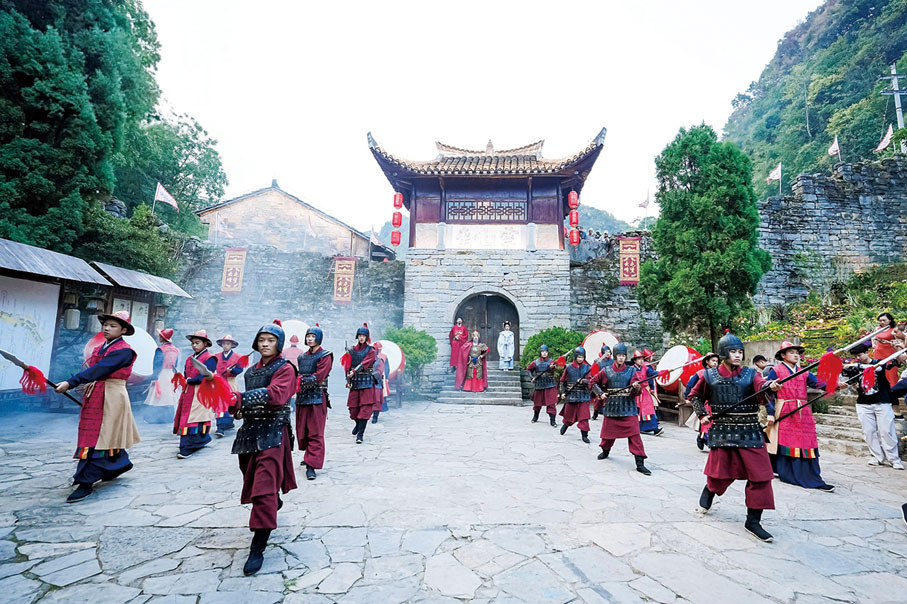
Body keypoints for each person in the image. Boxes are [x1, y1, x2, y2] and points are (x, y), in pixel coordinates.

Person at [688, 332, 780, 542]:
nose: (738, 355)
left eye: (740, 351)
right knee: (720, 474)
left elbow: (761, 386)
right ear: (723, 353)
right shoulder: (709, 376)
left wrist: (769, 386)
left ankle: (753, 521)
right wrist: (702, 414)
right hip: (723, 431)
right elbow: (694, 396)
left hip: (750, 431)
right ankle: (709, 491)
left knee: (762, 475)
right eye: (733, 352)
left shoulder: (750, 374)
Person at [228, 320, 297, 575]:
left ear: (278, 344)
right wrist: (233, 405)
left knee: (264, 489)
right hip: (248, 433)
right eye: (261, 340)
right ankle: (271, 501)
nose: (265, 344)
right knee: (251, 477)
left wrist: (241, 398)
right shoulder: (250, 372)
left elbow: (277, 395)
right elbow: (243, 405)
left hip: (273, 433)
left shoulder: (286, 368)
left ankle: (258, 547)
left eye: (270, 340)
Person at [55, 311, 141, 502]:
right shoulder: (102, 347)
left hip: (111, 396)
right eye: (106, 324)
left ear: (123, 330)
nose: (107, 328)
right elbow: (93, 371)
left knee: (100, 436)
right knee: (100, 434)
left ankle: (87, 481)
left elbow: (99, 370)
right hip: (97, 393)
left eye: (113, 326)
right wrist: (82, 384)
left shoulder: (124, 351)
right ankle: (120, 463)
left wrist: (72, 382)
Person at [763, 341, 834, 492]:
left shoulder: (804, 371)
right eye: (791, 352)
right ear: (783, 355)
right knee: (788, 441)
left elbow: (818, 384)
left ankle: (811, 475)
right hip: (785, 409)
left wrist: (834, 384)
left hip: (803, 410)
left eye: (797, 353)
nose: (796, 355)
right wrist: (770, 413)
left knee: (808, 441)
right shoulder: (776, 370)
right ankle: (788, 472)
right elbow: (767, 392)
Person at [589, 343, 650, 475]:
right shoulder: (606, 371)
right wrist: (600, 393)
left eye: (623, 355)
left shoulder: (632, 371)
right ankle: (605, 451)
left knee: (635, 436)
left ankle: (640, 463)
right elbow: (592, 382)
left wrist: (635, 387)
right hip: (612, 407)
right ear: (615, 356)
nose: (621, 358)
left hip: (628, 408)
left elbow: (637, 389)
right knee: (607, 436)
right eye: (619, 355)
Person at [842, 342, 905, 470]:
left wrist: (899, 352)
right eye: (855, 356)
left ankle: (894, 459)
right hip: (864, 403)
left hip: (883, 401)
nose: (858, 358)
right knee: (869, 432)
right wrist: (855, 385)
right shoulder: (854, 367)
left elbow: (894, 364)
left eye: (859, 355)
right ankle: (877, 457)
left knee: (887, 431)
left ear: (866, 353)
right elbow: (854, 384)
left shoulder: (879, 363)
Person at [295, 323, 331, 480]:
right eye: (308, 336)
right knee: (302, 430)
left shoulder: (326, 356)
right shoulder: (301, 357)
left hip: (317, 397)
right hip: (302, 398)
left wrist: (298, 381)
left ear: (319, 339)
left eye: (313, 336)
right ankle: (309, 456)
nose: (310, 339)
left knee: (315, 431)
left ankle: (311, 465)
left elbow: (319, 376)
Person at [174, 329, 217, 459]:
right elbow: (186, 374)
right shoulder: (189, 359)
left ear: (205, 344)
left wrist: (191, 380)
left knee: (193, 418)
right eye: (193, 343)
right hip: (189, 391)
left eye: (197, 343)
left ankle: (187, 446)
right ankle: (199, 441)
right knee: (188, 416)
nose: (194, 345)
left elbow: (206, 376)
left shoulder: (210, 358)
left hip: (201, 392)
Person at [345, 323, 377, 444]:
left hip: (367, 381)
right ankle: (358, 424)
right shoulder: (352, 350)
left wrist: (354, 371)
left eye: (363, 336)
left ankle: (360, 434)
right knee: (353, 409)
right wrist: (348, 380)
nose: (361, 338)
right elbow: (347, 366)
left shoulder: (371, 351)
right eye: (359, 335)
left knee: (365, 409)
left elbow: (365, 363)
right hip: (355, 382)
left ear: (367, 337)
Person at [143, 327, 180, 423]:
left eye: (160, 336)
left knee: (157, 397)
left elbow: (157, 364)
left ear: (162, 338)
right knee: (169, 397)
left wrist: (154, 377)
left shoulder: (160, 350)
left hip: (161, 375)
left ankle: (154, 418)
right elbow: (175, 364)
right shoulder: (176, 350)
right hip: (170, 374)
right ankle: (168, 418)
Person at [872, 313, 906, 417]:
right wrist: (874, 344)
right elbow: (873, 337)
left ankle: (895, 409)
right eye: (880, 320)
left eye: (884, 320)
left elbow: (901, 343)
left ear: (890, 320)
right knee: (879, 376)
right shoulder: (878, 328)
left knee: (892, 378)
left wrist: (890, 343)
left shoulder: (894, 330)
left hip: (890, 354)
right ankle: (886, 407)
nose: (881, 322)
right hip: (878, 353)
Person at [685, 353, 719, 451]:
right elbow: (690, 385)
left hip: (716, 402)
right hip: (705, 402)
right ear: (707, 362)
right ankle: (705, 439)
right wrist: (687, 397)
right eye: (713, 361)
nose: (715, 363)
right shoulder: (700, 373)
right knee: (707, 423)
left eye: (717, 361)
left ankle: (703, 438)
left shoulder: (719, 374)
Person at [558, 346, 592, 443]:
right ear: (575, 357)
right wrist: (563, 392)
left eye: (582, 357)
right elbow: (562, 381)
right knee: (569, 416)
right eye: (579, 357)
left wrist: (584, 381)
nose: (580, 359)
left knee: (584, 417)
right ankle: (566, 425)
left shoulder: (587, 368)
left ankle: (584, 435)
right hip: (571, 395)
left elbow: (590, 381)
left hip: (583, 396)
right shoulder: (568, 367)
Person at [212, 334, 243, 437]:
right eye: (224, 344)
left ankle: (228, 422)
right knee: (220, 404)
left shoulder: (237, 357)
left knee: (231, 403)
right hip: (220, 382)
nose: (226, 346)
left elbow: (240, 369)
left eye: (228, 344)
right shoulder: (216, 357)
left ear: (232, 345)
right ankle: (220, 426)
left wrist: (233, 370)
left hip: (230, 381)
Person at [631, 349, 664, 437]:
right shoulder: (631, 370)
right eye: (638, 359)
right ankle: (639, 427)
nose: (641, 360)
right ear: (635, 360)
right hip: (636, 393)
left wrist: (662, 373)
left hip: (645, 392)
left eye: (642, 358)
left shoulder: (645, 368)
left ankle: (655, 429)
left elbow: (653, 374)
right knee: (637, 411)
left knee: (649, 409)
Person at [527, 344, 558, 427]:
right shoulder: (536, 362)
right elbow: (529, 369)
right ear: (540, 353)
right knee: (537, 403)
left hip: (550, 384)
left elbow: (555, 367)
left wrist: (553, 367)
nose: (544, 353)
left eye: (546, 352)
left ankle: (553, 420)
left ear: (548, 353)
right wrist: (532, 377)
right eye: (542, 352)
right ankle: (535, 416)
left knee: (551, 404)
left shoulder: (551, 361)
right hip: (539, 385)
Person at [591, 345, 613, 421]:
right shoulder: (598, 361)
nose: (608, 353)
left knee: (609, 399)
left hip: (610, 382)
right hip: (600, 382)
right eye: (606, 352)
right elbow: (594, 371)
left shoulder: (612, 361)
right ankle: (595, 413)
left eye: (609, 352)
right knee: (598, 400)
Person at [371, 341, 390, 423]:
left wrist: (386, 377)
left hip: (379, 379)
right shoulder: (369, 357)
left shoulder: (383, 357)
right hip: (369, 380)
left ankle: (375, 415)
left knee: (378, 398)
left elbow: (386, 368)